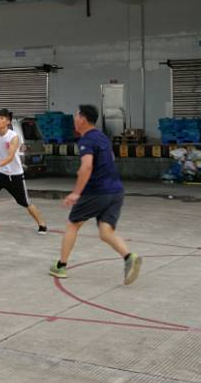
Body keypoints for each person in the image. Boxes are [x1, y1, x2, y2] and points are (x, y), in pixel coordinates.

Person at [49, 104, 141, 285]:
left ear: (83, 119)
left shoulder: (87, 140)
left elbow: (87, 166)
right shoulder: (102, 137)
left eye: (76, 116)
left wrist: (76, 193)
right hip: (116, 191)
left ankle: (61, 265)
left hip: (97, 191)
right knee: (106, 232)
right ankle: (129, 257)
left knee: (72, 225)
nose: (74, 120)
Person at [0, 109, 47, 235]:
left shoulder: (13, 137)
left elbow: (10, 157)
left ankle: (42, 224)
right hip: (1, 173)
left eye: (2, 118)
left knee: (24, 202)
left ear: (8, 121)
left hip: (15, 175)